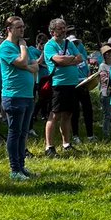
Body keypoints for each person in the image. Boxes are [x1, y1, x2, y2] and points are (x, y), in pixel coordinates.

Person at [0, 16, 39, 181]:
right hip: (13, 96)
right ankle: (14, 169)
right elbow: (22, 62)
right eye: (18, 27)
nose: (22, 30)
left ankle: (21, 166)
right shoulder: (5, 47)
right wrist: (23, 48)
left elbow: (35, 66)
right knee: (14, 133)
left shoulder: (23, 47)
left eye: (23, 27)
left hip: (28, 95)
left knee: (23, 133)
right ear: (9, 29)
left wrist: (27, 65)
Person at [42, 19, 82, 157]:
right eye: (60, 28)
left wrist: (66, 60)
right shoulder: (49, 45)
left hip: (72, 84)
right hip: (58, 85)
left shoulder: (68, 43)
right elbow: (57, 60)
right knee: (55, 114)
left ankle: (66, 144)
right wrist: (71, 59)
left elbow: (80, 58)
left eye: (64, 28)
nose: (63, 31)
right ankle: (49, 147)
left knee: (68, 114)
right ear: (52, 31)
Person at [97, 44, 111, 140]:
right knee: (107, 115)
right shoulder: (102, 66)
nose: (109, 55)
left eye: (110, 53)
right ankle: (106, 134)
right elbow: (104, 79)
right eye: (107, 53)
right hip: (106, 92)